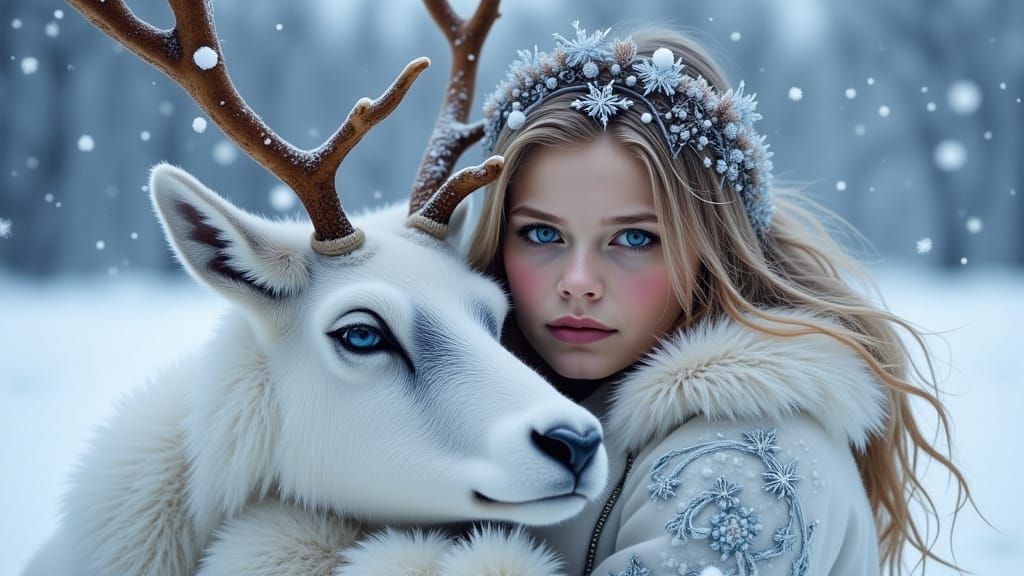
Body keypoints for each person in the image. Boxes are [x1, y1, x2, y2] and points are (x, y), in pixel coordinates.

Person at [463, 21, 973, 575]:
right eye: (542, 233)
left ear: (710, 251)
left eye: (634, 239)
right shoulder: (494, 413)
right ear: (497, 239)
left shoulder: (742, 463)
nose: (579, 280)